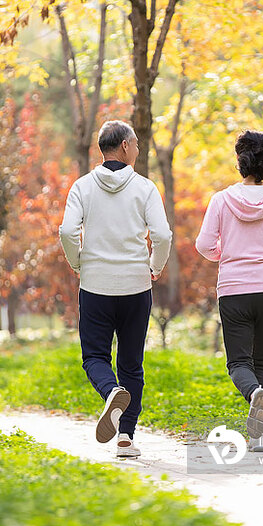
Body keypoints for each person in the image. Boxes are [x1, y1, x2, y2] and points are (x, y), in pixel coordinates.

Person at [59, 120, 172, 457]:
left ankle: (110, 392)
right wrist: (155, 267)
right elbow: (163, 235)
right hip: (136, 287)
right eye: (135, 143)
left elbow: (67, 231)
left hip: (95, 286)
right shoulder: (145, 188)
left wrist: (79, 263)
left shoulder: (82, 187)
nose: (138, 148)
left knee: (95, 356)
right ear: (124, 146)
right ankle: (125, 437)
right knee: (132, 364)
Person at [195, 130, 263, 452]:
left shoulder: (221, 200)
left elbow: (203, 245)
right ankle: (259, 436)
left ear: (240, 161)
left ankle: (252, 392)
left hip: (233, 288)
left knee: (238, 363)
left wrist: (227, 258)